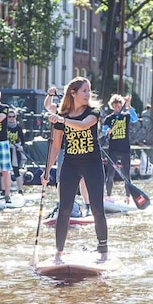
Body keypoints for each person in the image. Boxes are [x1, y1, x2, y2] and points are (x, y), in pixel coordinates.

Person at [42, 77, 109, 263]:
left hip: (92, 164)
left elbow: (83, 125)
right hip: (70, 165)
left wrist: (61, 119)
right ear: (73, 93)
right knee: (64, 209)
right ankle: (59, 253)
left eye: (89, 91)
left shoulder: (93, 112)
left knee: (97, 208)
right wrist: (46, 171)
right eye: (84, 91)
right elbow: (55, 146)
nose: (88, 94)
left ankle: (103, 251)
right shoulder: (62, 115)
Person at [44, 85, 91, 215]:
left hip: (83, 149)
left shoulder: (84, 110)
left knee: (83, 179)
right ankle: (62, 204)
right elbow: (48, 106)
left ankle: (87, 205)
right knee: (61, 179)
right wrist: (50, 94)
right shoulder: (61, 110)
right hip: (65, 149)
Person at [102, 94, 138, 203]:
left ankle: (127, 197)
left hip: (125, 149)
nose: (118, 108)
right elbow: (104, 131)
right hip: (113, 149)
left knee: (126, 174)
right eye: (116, 106)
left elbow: (135, 119)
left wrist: (128, 105)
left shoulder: (126, 116)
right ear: (112, 106)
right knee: (111, 173)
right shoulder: (109, 119)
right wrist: (107, 131)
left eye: (119, 106)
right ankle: (108, 196)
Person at [6, 109, 27, 194]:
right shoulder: (4, 127)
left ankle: (20, 189)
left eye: (13, 116)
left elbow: (22, 140)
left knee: (16, 170)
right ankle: (4, 190)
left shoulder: (18, 128)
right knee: (4, 170)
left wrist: (21, 147)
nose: (11, 118)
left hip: (16, 150)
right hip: (7, 149)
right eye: (9, 117)